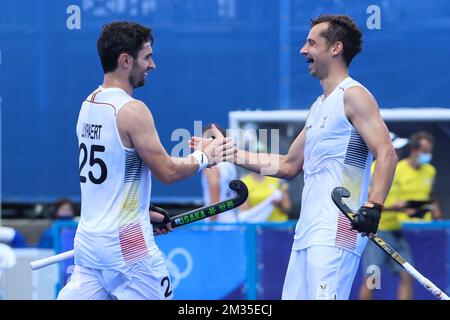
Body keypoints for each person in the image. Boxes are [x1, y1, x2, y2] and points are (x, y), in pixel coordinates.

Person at [191, 14, 397, 299]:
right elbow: (288, 165)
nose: (303, 50)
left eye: (312, 43)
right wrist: (231, 153)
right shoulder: (318, 107)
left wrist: (374, 206)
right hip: (307, 232)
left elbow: (386, 152)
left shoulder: (355, 95)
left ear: (335, 48)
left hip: (338, 229)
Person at [57, 21, 235, 300]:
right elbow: (168, 172)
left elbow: (109, 181)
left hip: (89, 242)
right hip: (127, 245)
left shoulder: (88, 104)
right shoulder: (132, 110)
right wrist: (205, 156)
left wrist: (144, 211)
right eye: (147, 57)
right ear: (125, 61)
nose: (152, 65)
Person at [359, 133, 414, 300]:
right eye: (396, 147)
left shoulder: (397, 170)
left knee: (406, 275)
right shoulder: (374, 170)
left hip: (395, 231)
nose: (399, 151)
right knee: (372, 278)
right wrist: (393, 207)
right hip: (376, 233)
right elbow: (368, 203)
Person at [395, 131, 442, 223]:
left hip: (424, 223)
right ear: (413, 150)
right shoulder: (397, 170)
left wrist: (436, 210)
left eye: (429, 152)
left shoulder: (430, 170)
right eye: (425, 151)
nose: (428, 155)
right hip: (401, 224)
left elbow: (431, 194)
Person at [239, 142, 292, 223]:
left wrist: (279, 204)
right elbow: (245, 214)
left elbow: (287, 207)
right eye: (257, 157)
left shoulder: (277, 178)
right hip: (257, 231)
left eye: (263, 157)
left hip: (280, 229)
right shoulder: (244, 182)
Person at [201, 124, 238, 223]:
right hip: (231, 219)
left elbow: (214, 198)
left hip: (218, 222)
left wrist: (212, 224)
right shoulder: (231, 164)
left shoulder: (211, 166)